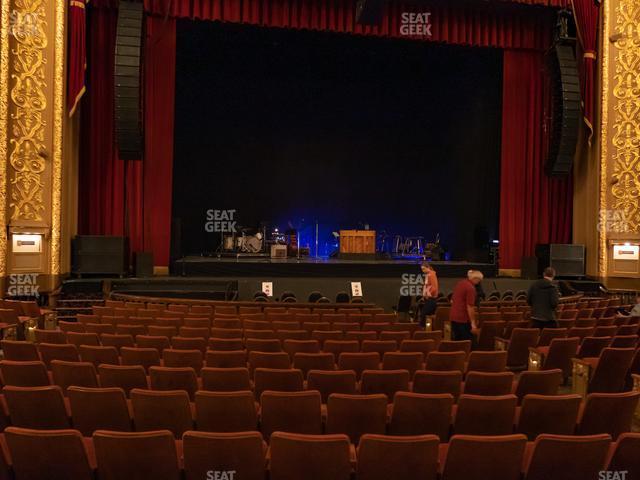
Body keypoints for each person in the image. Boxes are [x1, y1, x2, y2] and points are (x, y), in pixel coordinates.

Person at [449, 270, 483, 341]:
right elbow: (470, 307)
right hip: (463, 319)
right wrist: (473, 323)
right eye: (479, 280)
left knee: (456, 341)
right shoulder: (470, 288)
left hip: (453, 317)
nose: (479, 282)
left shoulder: (460, 283)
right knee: (467, 342)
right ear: (475, 279)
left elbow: (452, 300)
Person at [418, 262, 439, 327]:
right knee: (425, 315)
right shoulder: (428, 275)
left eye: (424, 269)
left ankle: (423, 330)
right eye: (422, 269)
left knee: (423, 315)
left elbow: (434, 287)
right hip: (429, 299)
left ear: (428, 267)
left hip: (431, 299)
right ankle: (427, 329)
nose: (423, 271)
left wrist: (427, 295)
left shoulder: (431, 275)